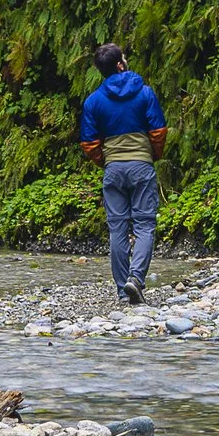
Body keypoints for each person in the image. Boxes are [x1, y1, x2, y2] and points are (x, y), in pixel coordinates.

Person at [78, 43, 166, 303]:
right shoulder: (145, 93)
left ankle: (121, 292)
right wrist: (152, 155)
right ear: (120, 64)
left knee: (117, 229)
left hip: (113, 170)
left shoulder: (93, 101)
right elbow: (158, 132)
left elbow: (89, 143)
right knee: (145, 225)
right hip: (141, 166)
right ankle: (136, 280)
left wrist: (106, 161)